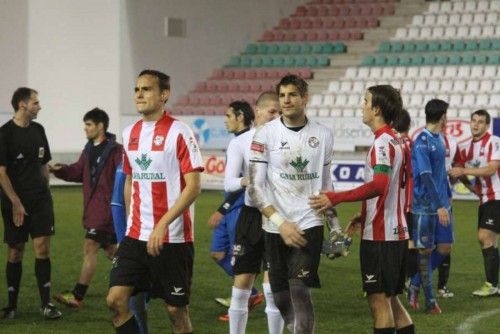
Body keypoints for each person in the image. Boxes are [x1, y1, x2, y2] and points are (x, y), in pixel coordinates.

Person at [309, 85, 414, 334]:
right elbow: (394, 189)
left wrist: (336, 198)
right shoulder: (399, 140)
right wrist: (364, 214)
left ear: (376, 108)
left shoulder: (381, 144)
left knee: (379, 302)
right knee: (391, 300)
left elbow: (379, 185)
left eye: (365, 101)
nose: (362, 105)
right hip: (397, 231)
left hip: (381, 236)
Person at [106, 69, 204, 334]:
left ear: (164, 94)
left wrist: (162, 224)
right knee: (115, 301)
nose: (139, 94)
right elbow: (129, 181)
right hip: (136, 236)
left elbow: (194, 187)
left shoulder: (180, 132)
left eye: (146, 89)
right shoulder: (129, 134)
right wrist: (129, 226)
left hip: (173, 238)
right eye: (137, 89)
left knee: (175, 312)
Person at [248, 75, 335, 333]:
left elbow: (326, 185)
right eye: (282, 95)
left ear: (304, 99)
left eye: (292, 95)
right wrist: (281, 223)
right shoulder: (264, 134)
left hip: (310, 222)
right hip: (275, 226)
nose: (286, 100)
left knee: (299, 289)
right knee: (281, 297)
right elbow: (255, 187)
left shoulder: (323, 134)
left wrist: (335, 225)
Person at [0, 87, 62, 319]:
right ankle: (12, 306)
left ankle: (46, 305)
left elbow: (43, 163)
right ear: (22, 105)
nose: (39, 106)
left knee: (42, 249)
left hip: (40, 201)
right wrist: (15, 202)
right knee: (15, 251)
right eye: (36, 102)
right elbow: (1, 173)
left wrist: (47, 192)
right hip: (14, 202)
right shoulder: (4, 134)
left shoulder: (38, 130)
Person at [50, 108, 121, 308]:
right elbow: (77, 171)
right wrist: (60, 170)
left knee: (90, 247)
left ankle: (77, 295)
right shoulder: (89, 149)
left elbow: (124, 179)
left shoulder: (116, 151)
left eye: (88, 124)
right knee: (112, 252)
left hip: (105, 211)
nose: (85, 129)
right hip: (95, 210)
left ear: (100, 126)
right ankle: (144, 280)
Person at [226, 92, 284, 334]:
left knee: (273, 290)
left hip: (277, 217)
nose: (276, 117)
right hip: (250, 216)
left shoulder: (286, 140)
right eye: (272, 111)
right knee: (241, 286)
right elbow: (228, 183)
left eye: (279, 113)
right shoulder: (241, 142)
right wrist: (246, 180)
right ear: (258, 111)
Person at [406, 99, 453, 314]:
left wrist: (448, 198)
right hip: (425, 207)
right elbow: (425, 176)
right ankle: (430, 301)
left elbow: (440, 173)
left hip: (443, 205)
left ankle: (414, 283)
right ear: (442, 116)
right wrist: (438, 205)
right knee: (424, 252)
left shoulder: (440, 138)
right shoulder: (422, 141)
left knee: (443, 248)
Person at [449, 109, 500, 297]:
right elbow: (458, 168)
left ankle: (492, 284)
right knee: (487, 240)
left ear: (487, 125)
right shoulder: (465, 148)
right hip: (485, 199)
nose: (476, 124)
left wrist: (463, 171)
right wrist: (470, 187)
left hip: (497, 196)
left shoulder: (494, 142)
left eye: (481, 121)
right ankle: (493, 284)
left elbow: (492, 169)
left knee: (484, 236)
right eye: (474, 120)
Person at [111, 162, 148, 334]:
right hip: (135, 241)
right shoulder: (126, 163)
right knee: (133, 298)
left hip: (166, 241)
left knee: (175, 307)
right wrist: (122, 239)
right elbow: (117, 203)